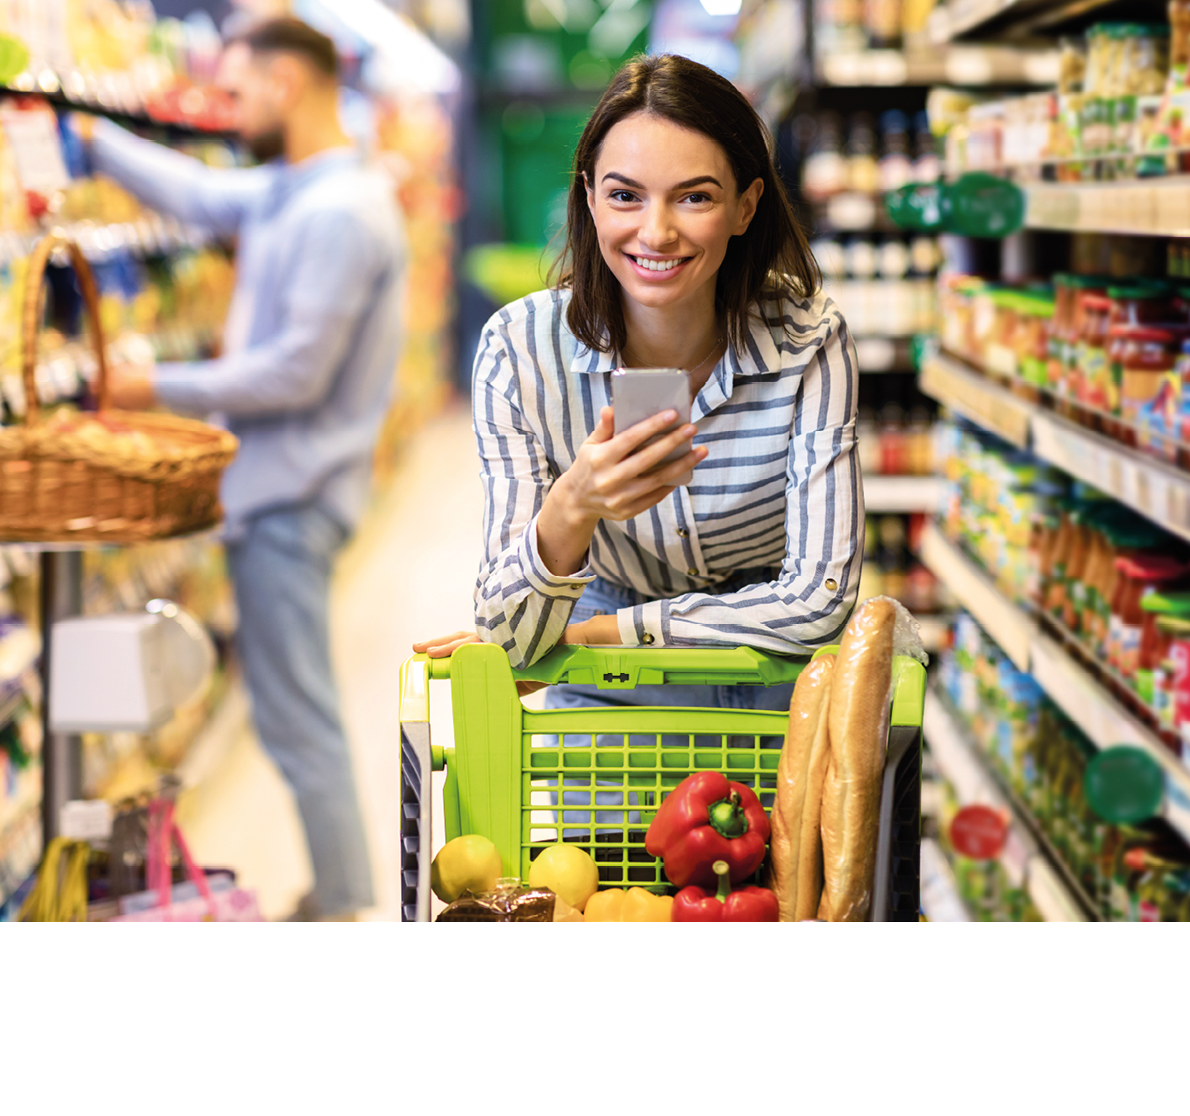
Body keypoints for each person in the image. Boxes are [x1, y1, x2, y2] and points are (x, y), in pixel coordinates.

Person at [74, 17, 407, 920]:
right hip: (274, 491)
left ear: (285, 85)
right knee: (292, 709)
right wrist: (87, 136)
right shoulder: (294, 189)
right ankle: (340, 892)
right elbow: (200, 196)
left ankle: (340, 904)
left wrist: (151, 385)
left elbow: (296, 372)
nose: (229, 107)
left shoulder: (342, 212)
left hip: (293, 499)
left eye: (238, 89)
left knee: (298, 717)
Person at [416, 53, 862, 720]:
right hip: (604, 688)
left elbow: (820, 600)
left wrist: (602, 632)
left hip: (772, 678)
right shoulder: (519, 352)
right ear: (589, 197)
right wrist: (573, 503)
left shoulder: (810, 342)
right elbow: (509, 636)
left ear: (745, 207)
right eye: (625, 195)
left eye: (695, 196)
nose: (657, 231)